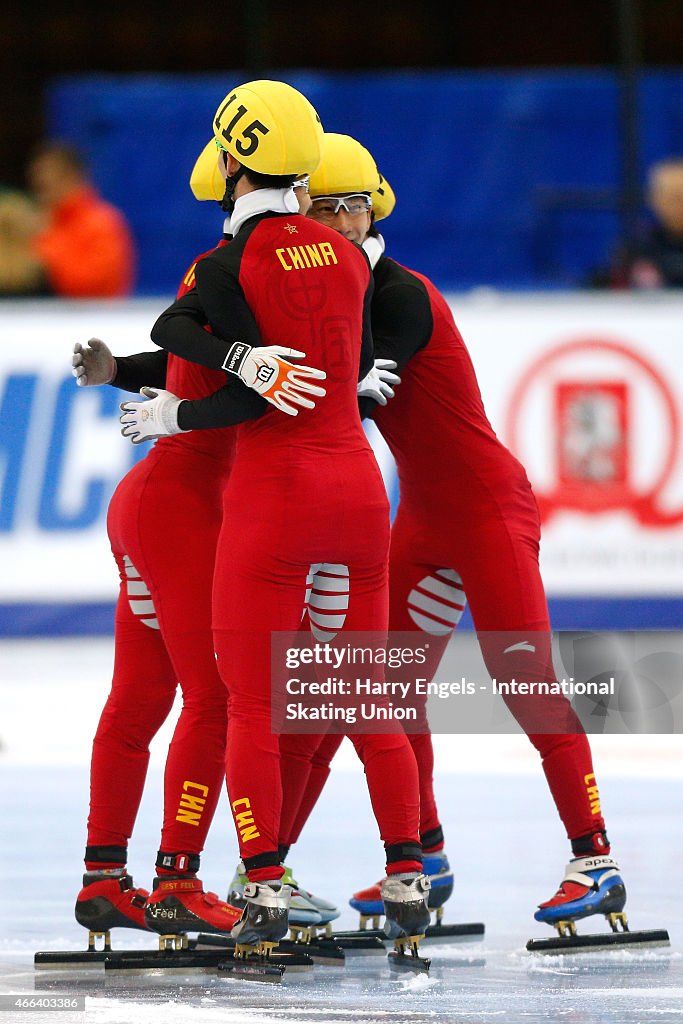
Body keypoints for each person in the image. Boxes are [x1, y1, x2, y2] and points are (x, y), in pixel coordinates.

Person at [277, 132, 626, 936]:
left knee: (526, 680)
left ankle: (596, 858)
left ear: (375, 208)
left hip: (484, 508)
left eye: (349, 206)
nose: (335, 222)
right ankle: (425, 856)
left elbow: (351, 400)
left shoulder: (396, 294)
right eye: (320, 208)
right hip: (426, 516)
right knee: (381, 687)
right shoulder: (329, 290)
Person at [120, 79, 430, 957]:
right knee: (363, 688)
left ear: (229, 163)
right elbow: (354, 362)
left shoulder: (231, 265)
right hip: (360, 491)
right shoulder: (347, 257)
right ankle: (408, 872)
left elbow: (177, 333)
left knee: (254, 704)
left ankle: (261, 881)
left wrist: (230, 364)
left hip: (276, 495)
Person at [72, 153, 340, 941]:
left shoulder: (224, 266)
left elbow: (189, 359)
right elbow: (230, 378)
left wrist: (126, 373)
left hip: (157, 503)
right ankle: (175, 881)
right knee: (216, 698)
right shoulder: (259, 270)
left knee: (141, 700)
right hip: (185, 506)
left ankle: (102, 878)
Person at [27, 142, 136, 297]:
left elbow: (89, 286)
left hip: (94, 318)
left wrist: (46, 243)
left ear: (71, 176)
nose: (40, 193)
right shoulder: (45, 220)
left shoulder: (102, 223)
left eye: (46, 184)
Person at [591, 157, 683, 289]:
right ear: (654, 199)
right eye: (672, 198)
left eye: (681, 197)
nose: (678, 206)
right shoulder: (638, 248)